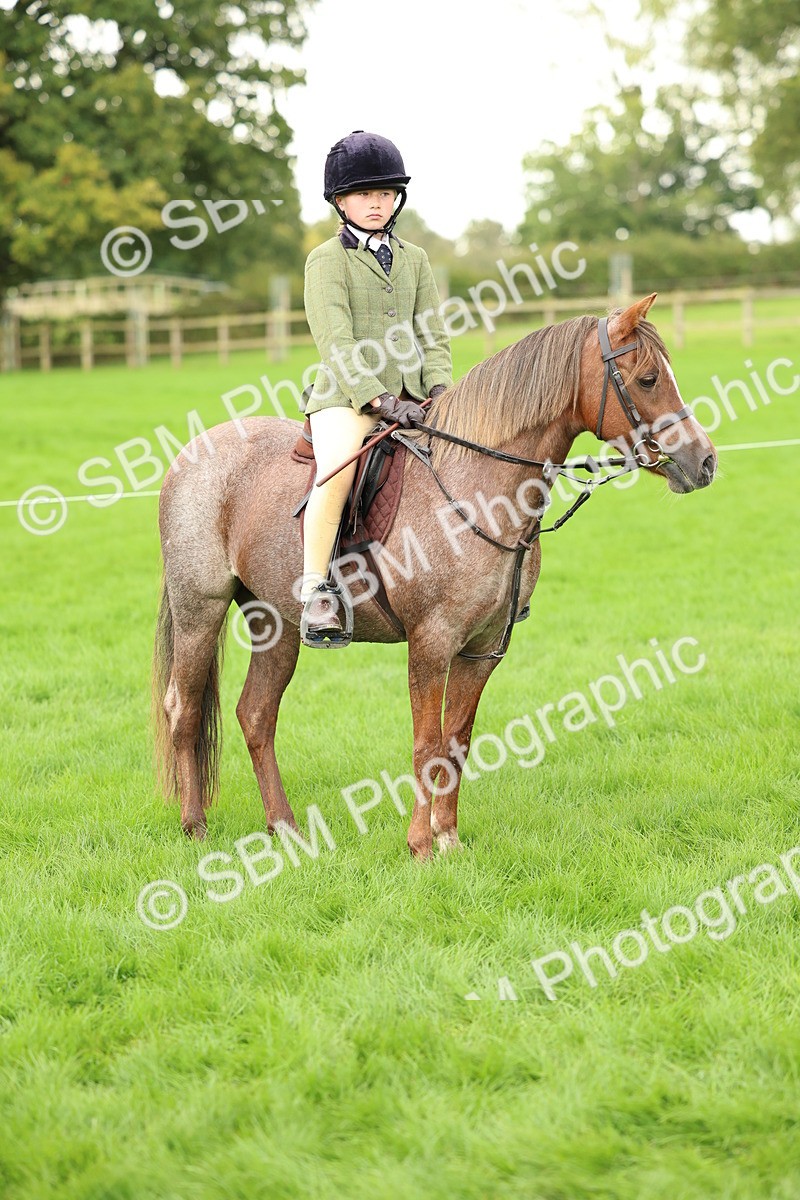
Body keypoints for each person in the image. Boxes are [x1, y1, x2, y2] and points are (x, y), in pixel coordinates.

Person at [300, 130, 452, 646]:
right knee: (336, 474)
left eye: (385, 194)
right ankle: (317, 588)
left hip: (412, 400)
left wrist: (440, 390)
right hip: (347, 398)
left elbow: (433, 333)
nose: (376, 203)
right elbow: (334, 339)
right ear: (340, 201)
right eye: (365, 194)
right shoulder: (327, 259)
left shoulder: (415, 259)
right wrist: (376, 398)